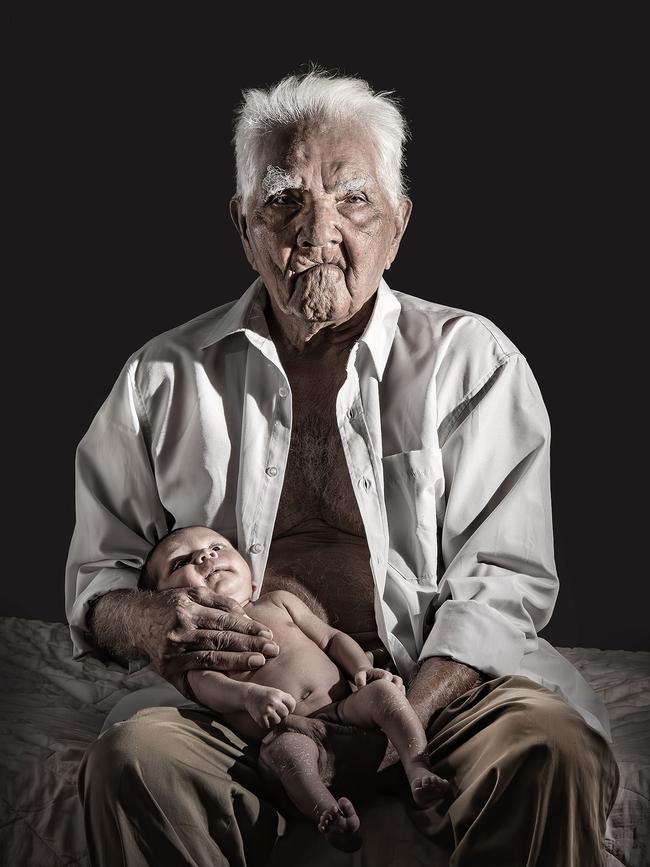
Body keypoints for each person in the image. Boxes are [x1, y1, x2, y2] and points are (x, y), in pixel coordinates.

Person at [68, 68, 620, 866]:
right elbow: (96, 577)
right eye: (285, 198)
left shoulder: (475, 363)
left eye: (353, 198)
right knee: (134, 764)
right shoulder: (162, 376)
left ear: (398, 224)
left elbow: (504, 578)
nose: (317, 230)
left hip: (448, 689)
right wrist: (151, 622)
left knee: (551, 752)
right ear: (242, 223)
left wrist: (399, 714)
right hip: (248, 706)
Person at [139, 523, 450, 851]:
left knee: (386, 695)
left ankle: (417, 764)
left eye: (217, 547)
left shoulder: (279, 603)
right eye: (179, 563)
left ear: (251, 573)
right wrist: (249, 696)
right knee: (286, 754)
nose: (205, 555)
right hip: (292, 731)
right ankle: (327, 811)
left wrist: (363, 670)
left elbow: (331, 639)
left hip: (344, 708)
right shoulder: (198, 648)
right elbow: (207, 687)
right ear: (164, 605)